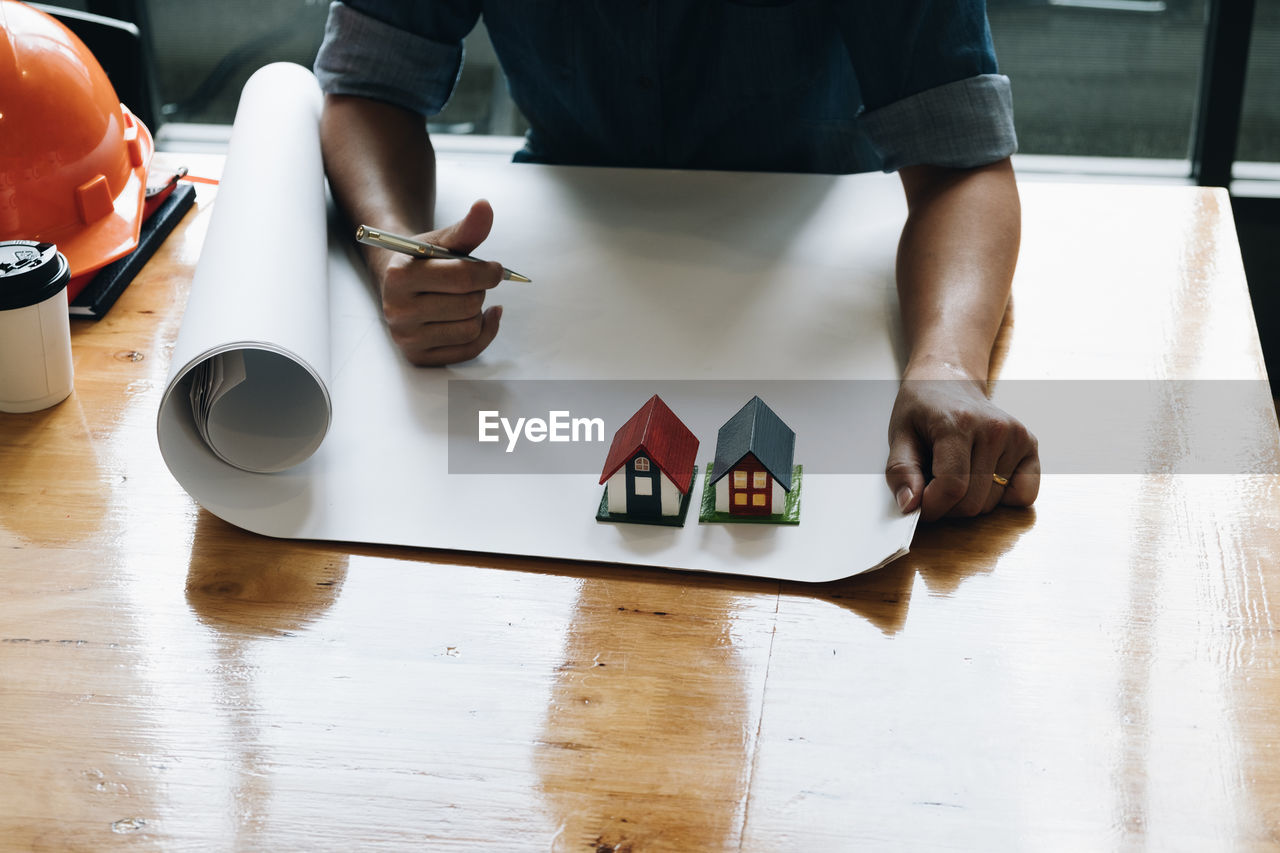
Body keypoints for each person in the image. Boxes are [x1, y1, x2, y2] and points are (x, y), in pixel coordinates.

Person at [313, 0, 1040, 521]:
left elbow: (961, 163)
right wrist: (395, 250)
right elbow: (371, 87)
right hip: (561, 262)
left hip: (814, 246)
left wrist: (947, 367)